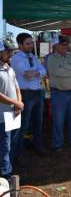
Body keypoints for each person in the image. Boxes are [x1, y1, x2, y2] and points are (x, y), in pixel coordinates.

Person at [10, 33, 48, 165]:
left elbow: (44, 71)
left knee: (38, 122)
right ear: (20, 45)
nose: (31, 45)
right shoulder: (16, 58)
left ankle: (38, 146)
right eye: (28, 43)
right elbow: (26, 75)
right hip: (25, 94)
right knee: (23, 126)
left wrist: (36, 72)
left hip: (37, 92)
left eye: (32, 43)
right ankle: (18, 154)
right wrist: (37, 72)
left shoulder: (32, 56)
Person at [47, 35, 71, 151]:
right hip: (58, 93)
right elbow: (56, 72)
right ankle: (57, 143)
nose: (65, 46)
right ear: (55, 46)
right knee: (58, 120)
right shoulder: (51, 58)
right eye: (63, 44)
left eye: (66, 44)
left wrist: (65, 66)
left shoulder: (70, 56)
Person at [0, 41, 23, 179]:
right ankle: (6, 176)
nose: (10, 55)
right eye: (7, 52)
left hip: (14, 112)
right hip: (2, 116)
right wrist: (16, 103)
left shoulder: (9, 67)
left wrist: (19, 102)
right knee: (4, 146)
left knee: (13, 143)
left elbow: (16, 87)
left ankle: (10, 168)